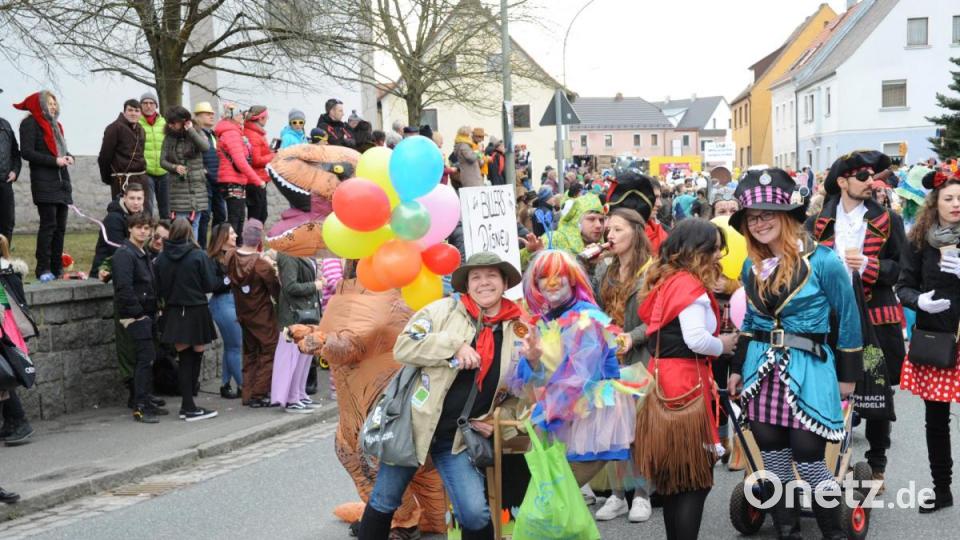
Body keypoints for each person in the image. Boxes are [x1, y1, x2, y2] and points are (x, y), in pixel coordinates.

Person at [728, 169, 863, 538]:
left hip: (811, 368)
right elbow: (751, 320)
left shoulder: (825, 262)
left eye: (769, 213)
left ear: (788, 217)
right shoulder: (750, 266)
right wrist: (737, 368)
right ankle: (787, 532)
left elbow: (849, 318)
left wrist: (848, 377)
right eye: (753, 217)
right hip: (761, 369)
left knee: (812, 459)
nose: (759, 223)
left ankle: (833, 533)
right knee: (772, 459)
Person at [357, 252, 525, 540]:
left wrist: (498, 419)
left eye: (491, 276)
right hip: (413, 425)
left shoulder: (519, 329)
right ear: (467, 284)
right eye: (476, 277)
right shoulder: (441, 311)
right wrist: (453, 346)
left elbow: (519, 392)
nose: (484, 283)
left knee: (475, 513)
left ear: (505, 281)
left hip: (457, 437)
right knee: (385, 499)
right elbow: (404, 347)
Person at [288, 273, 445, 537]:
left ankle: (405, 520)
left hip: (388, 407)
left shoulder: (393, 293)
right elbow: (343, 335)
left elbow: (354, 343)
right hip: (355, 406)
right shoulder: (347, 289)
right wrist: (316, 334)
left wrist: (322, 341)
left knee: (384, 457)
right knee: (352, 452)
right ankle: (391, 516)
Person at [808, 150, 906, 492]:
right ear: (842, 182)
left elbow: (903, 270)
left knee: (876, 393)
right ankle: (825, 463)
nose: (871, 183)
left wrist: (868, 265)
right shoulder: (816, 223)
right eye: (863, 177)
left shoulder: (888, 221)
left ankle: (876, 467)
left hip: (876, 321)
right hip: (828, 321)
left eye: (873, 177)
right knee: (826, 391)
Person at [635, 219, 737, 540]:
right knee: (696, 479)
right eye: (715, 249)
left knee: (673, 481)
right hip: (686, 387)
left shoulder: (664, 281)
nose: (719, 256)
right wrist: (724, 345)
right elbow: (695, 339)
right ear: (698, 251)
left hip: (660, 382)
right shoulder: (690, 286)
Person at [514, 250, 639, 491]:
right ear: (536, 284)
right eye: (543, 276)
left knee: (558, 494)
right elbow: (533, 377)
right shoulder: (545, 319)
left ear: (572, 279)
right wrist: (531, 360)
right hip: (562, 414)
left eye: (559, 274)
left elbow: (580, 378)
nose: (551, 281)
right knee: (554, 499)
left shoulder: (586, 318)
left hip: (590, 416)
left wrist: (544, 410)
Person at [895, 167, 960, 514]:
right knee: (936, 421)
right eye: (949, 198)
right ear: (935, 203)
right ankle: (942, 489)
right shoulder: (918, 240)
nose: (956, 204)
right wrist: (918, 301)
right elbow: (903, 285)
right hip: (936, 339)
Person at [590, 205, 655, 523]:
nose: (610, 235)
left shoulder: (653, 271)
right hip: (607, 358)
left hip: (640, 357)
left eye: (617, 229)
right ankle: (617, 495)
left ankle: (641, 494)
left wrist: (633, 336)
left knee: (638, 430)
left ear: (636, 232)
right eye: (608, 230)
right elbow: (591, 306)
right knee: (612, 428)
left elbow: (659, 319)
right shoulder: (604, 269)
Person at [155, 218, 219, 421]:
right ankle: (189, 404)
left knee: (183, 358)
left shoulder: (162, 258)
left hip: (174, 310)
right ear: (189, 232)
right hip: (195, 309)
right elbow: (210, 285)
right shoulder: (198, 255)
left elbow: (158, 287)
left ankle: (188, 404)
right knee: (196, 353)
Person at [112, 212, 168, 423]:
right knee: (144, 360)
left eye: (146, 228)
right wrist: (138, 315)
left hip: (147, 313)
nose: (143, 231)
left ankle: (146, 399)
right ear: (130, 229)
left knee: (149, 358)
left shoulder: (141, 252)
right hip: (136, 317)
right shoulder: (125, 254)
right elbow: (123, 288)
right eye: (139, 227)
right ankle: (140, 406)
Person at [14, 90, 72, 282]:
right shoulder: (30, 123)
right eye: (49, 103)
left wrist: (68, 156)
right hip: (44, 181)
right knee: (49, 225)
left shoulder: (57, 126)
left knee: (61, 227)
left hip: (61, 182)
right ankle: (43, 268)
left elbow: (60, 150)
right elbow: (27, 152)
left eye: (55, 103)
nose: (53, 106)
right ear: (38, 105)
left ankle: (57, 267)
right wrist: (55, 161)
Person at [225, 219, 280, 407]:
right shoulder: (261, 265)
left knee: (249, 353)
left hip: (243, 313)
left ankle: (248, 393)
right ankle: (259, 392)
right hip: (262, 314)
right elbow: (275, 290)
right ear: (259, 240)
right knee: (269, 351)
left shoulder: (230, 256)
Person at [271, 252, 321, 412]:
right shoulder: (288, 255)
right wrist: (315, 285)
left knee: (305, 357)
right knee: (292, 358)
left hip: (308, 315)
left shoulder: (303, 252)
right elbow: (290, 286)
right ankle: (291, 397)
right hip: (294, 316)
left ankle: (300, 393)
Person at [0, 234, 37, 447]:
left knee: (4, 376)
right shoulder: (10, 269)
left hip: (4, 328)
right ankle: (12, 422)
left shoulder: (4, 272)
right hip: (9, 328)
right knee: (5, 375)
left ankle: (20, 421)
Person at [520, 193, 605, 271]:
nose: (599, 225)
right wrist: (529, 252)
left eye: (601, 220)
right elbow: (518, 266)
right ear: (576, 221)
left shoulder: (602, 248)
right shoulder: (554, 239)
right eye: (591, 219)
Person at [206, 224, 243, 399]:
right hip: (222, 302)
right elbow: (213, 285)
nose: (235, 235)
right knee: (236, 346)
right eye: (231, 233)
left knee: (231, 346)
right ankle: (244, 385)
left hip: (236, 301)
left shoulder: (236, 255)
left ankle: (225, 384)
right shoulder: (212, 259)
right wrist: (230, 278)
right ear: (222, 237)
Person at [161, 106, 209, 238]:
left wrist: (191, 130)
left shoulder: (196, 132)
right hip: (178, 189)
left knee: (195, 223)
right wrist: (174, 167)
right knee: (180, 224)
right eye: (168, 122)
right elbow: (162, 161)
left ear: (183, 121)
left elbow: (205, 147)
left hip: (197, 187)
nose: (170, 125)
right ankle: (182, 250)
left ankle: (193, 251)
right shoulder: (168, 138)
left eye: (173, 122)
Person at [215, 102, 261, 236]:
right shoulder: (230, 133)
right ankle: (230, 251)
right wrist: (257, 180)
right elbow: (240, 161)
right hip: (231, 180)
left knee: (240, 217)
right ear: (231, 116)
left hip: (238, 179)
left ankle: (237, 249)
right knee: (235, 218)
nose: (242, 116)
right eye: (239, 114)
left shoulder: (236, 132)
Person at [90, 182, 146, 276]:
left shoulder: (143, 217)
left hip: (129, 266)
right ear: (124, 198)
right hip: (105, 270)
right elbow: (116, 249)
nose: (136, 202)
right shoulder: (113, 218)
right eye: (132, 198)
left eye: (139, 198)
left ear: (143, 199)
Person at [98, 99, 147, 201]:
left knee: (139, 214)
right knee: (120, 212)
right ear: (124, 112)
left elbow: (141, 153)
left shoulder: (141, 130)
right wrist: (108, 178)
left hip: (140, 179)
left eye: (137, 111)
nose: (133, 113)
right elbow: (104, 156)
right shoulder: (114, 128)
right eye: (130, 110)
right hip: (121, 179)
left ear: (141, 114)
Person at [193, 101, 223, 248]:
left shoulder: (213, 135)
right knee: (204, 217)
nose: (211, 116)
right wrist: (202, 170)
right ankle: (202, 249)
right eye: (207, 114)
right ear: (197, 116)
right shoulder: (195, 134)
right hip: (204, 181)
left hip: (217, 180)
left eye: (212, 114)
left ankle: (215, 249)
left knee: (221, 215)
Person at [243, 106, 274, 223]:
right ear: (261, 118)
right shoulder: (253, 135)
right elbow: (256, 160)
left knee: (261, 215)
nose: (268, 119)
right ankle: (252, 241)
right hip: (255, 181)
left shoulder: (257, 133)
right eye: (267, 117)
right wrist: (273, 156)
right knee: (257, 216)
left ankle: (255, 241)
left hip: (258, 179)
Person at [139, 92, 167, 217]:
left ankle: (166, 234)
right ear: (141, 106)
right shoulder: (137, 124)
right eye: (145, 103)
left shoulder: (164, 123)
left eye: (151, 103)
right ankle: (146, 233)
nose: (148, 106)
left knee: (166, 208)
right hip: (146, 172)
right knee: (147, 207)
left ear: (156, 105)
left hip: (164, 171)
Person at [0, 97, 20, 245]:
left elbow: (15, 153)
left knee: (7, 223)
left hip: (5, 183)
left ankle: (3, 262)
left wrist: (14, 171)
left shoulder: (5, 125)